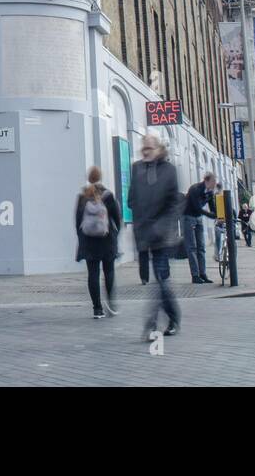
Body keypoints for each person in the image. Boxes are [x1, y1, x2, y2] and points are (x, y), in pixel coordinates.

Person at [127, 133, 182, 339]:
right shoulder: (137, 169)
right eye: (143, 148)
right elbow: (132, 199)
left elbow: (174, 203)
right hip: (145, 233)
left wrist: (162, 225)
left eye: (149, 148)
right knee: (161, 280)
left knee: (159, 278)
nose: (145, 151)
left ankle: (151, 324)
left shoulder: (169, 171)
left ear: (159, 149)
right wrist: (140, 221)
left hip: (164, 235)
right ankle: (174, 317)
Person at [75, 166, 121, 318]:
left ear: (89, 178)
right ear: (100, 177)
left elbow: (77, 221)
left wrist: (82, 238)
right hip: (107, 240)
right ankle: (111, 304)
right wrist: (116, 234)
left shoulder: (82, 196)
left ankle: (97, 309)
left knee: (92, 274)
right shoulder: (108, 195)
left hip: (89, 242)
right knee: (109, 272)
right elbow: (116, 218)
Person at [182, 172, 217, 284]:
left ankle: (203, 274)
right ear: (207, 181)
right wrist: (210, 215)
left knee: (201, 247)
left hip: (198, 218)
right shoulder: (195, 189)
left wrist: (217, 215)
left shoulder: (210, 192)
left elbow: (212, 207)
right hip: (188, 216)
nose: (214, 184)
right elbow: (197, 207)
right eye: (213, 181)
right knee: (192, 247)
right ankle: (195, 275)